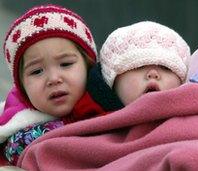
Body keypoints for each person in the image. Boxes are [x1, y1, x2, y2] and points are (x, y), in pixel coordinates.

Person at [0, 4, 123, 166]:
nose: (53, 78)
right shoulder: (11, 124)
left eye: (65, 64)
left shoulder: (112, 104)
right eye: (36, 71)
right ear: (22, 87)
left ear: (88, 65)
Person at [99, 21, 191, 105]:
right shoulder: (94, 121)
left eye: (166, 68)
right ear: (112, 82)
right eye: (138, 66)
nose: (153, 73)